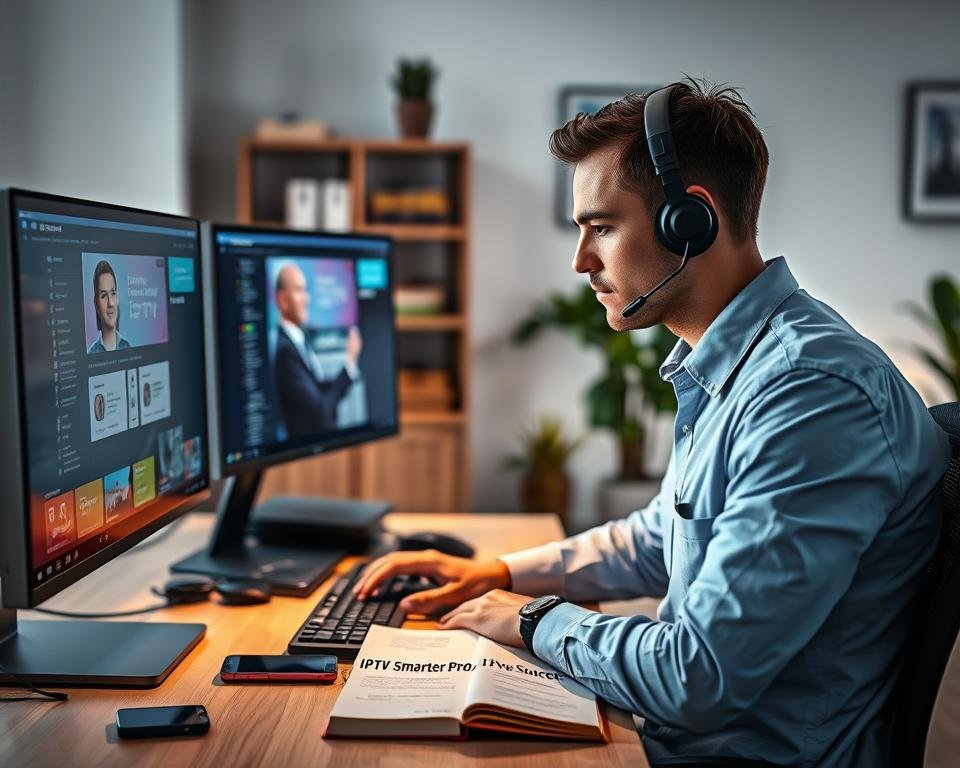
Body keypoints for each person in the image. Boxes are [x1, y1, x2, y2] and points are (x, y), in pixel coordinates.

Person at [354, 79, 952, 767]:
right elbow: (663, 535)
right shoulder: (737, 367)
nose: (580, 261)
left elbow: (700, 675)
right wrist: (499, 572)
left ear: (688, 221)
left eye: (601, 227)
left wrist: (529, 618)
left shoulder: (808, 394)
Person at [272, 263, 362, 438]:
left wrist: (348, 371)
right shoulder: (286, 352)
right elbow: (321, 413)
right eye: (299, 290)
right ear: (283, 300)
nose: (307, 299)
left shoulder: (298, 341)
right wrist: (349, 361)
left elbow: (315, 387)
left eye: (306, 290)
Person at [87, 260, 131, 353]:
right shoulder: (91, 353)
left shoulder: (128, 347)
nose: (110, 303)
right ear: (96, 304)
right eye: (103, 296)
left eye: (113, 293)